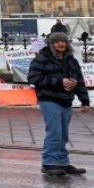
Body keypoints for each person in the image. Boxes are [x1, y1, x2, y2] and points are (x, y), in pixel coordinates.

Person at [26, 31, 89, 176]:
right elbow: (33, 78)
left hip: (66, 100)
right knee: (54, 133)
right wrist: (59, 81)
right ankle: (49, 163)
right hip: (49, 99)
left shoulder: (71, 60)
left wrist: (84, 100)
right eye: (57, 41)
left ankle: (63, 163)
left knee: (63, 134)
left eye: (64, 41)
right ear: (51, 44)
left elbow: (79, 81)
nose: (61, 44)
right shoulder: (42, 59)